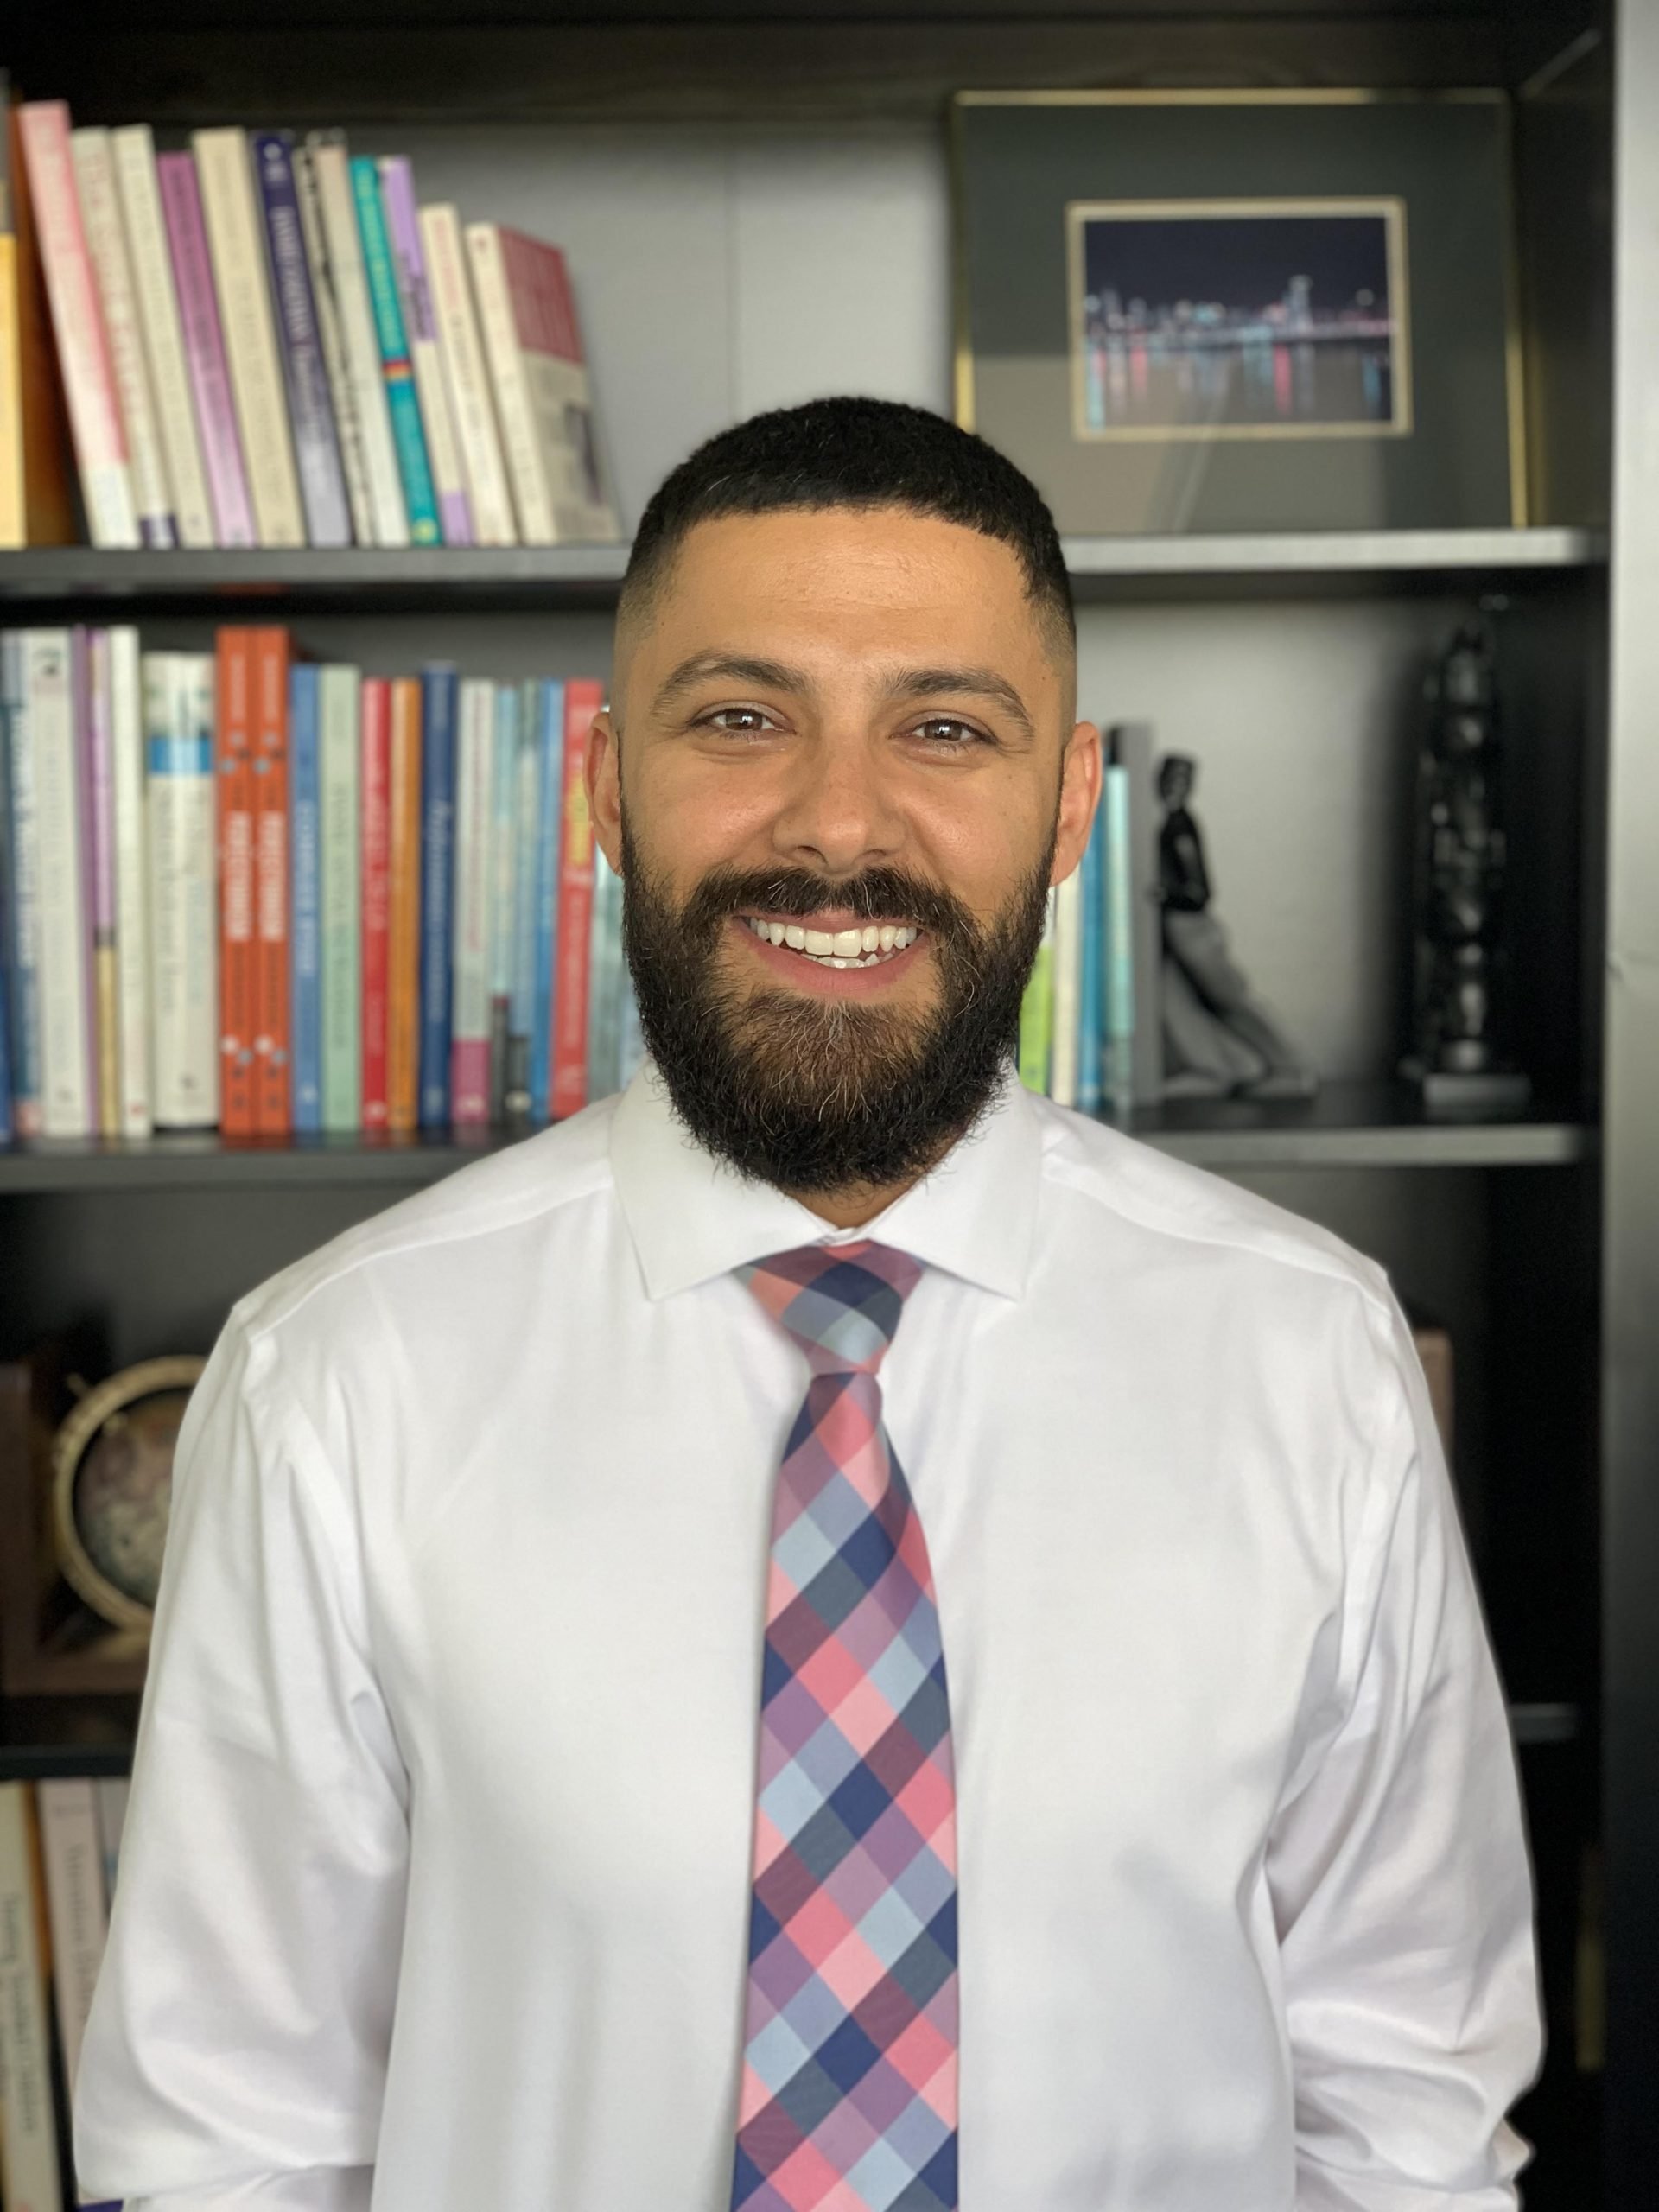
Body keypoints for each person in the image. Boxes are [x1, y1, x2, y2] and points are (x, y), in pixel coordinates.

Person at [73, 397, 1541, 2212]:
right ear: (609, 783)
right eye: (743, 717)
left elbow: (1408, 2099)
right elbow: (233, 2136)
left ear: (1071, 800)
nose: (838, 825)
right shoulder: (336, 1377)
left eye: (943, 726)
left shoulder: (1314, 1360)